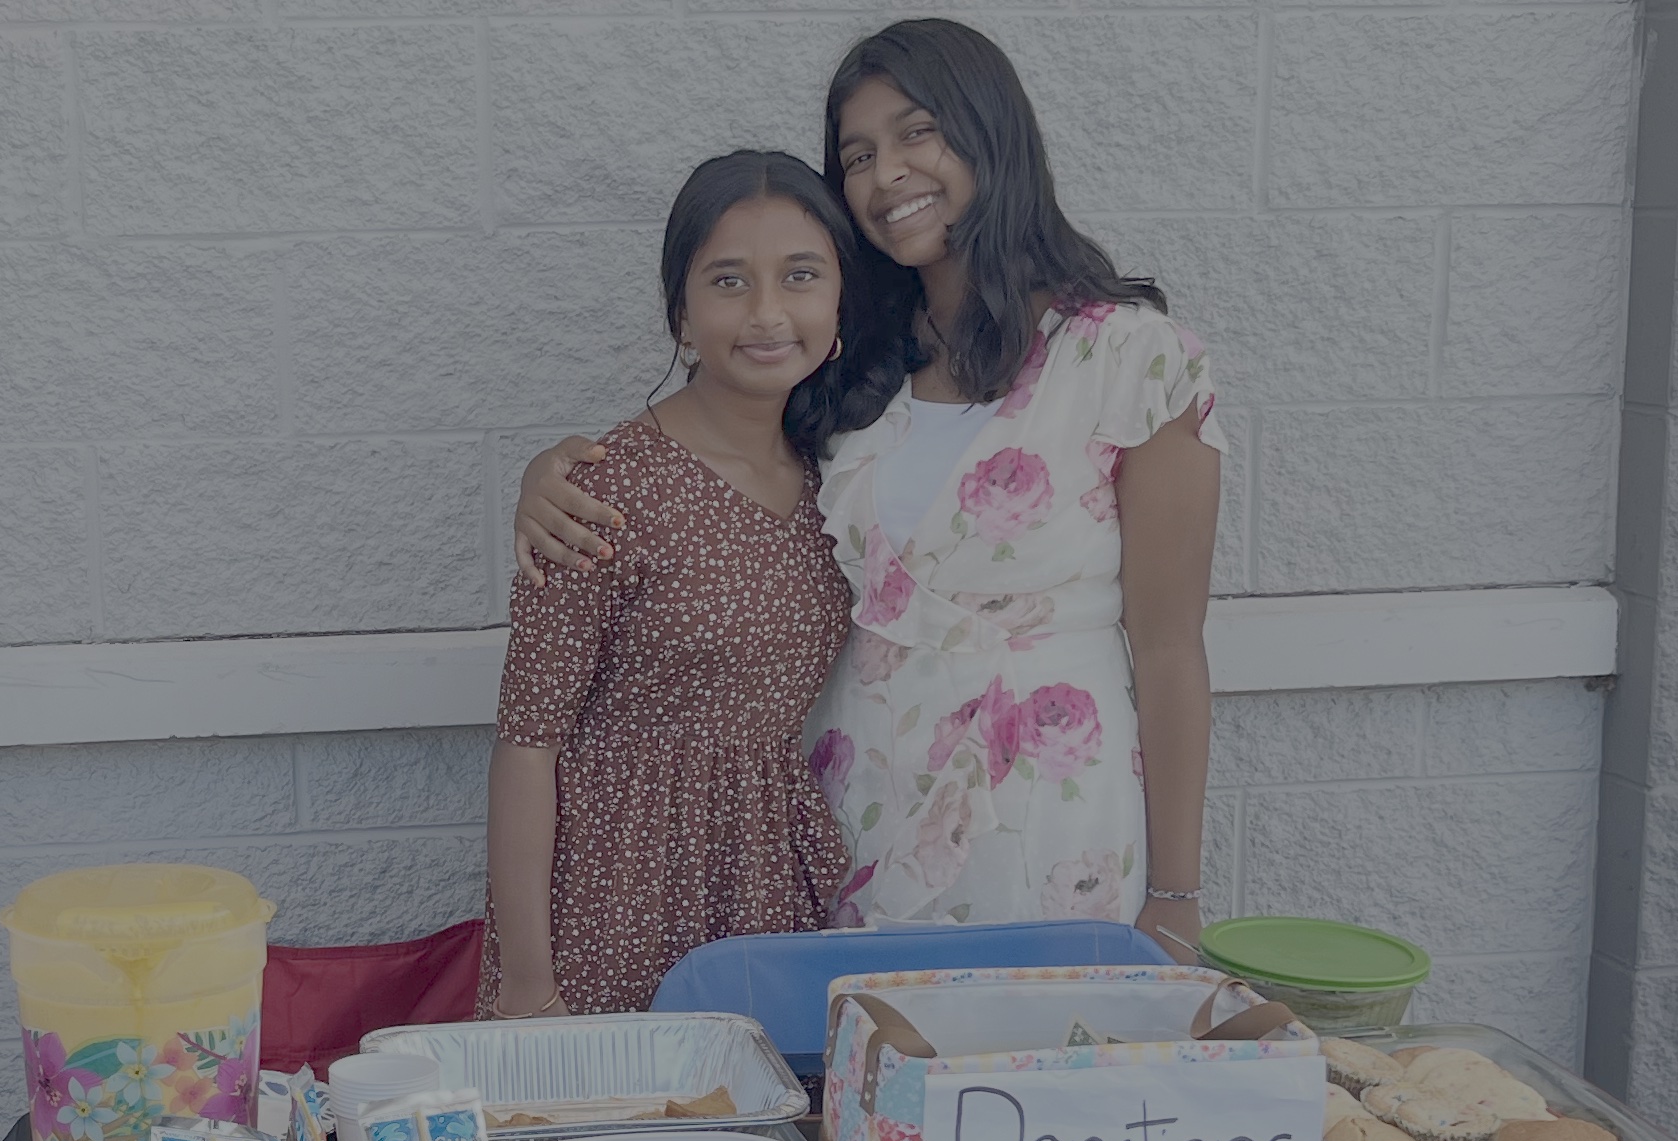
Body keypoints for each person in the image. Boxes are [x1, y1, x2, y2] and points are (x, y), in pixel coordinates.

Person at [513, 18, 1222, 960]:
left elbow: (1170, 648)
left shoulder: (1130, 357)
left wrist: (1176, 890)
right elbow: (713, 455)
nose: (885, 174)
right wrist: (550, 471)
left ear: (990, 132)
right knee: (853, 1091)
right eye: (856, 154)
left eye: (914, 132)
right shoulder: (853, 362)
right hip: (851, 807)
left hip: (1043, 812)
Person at [479, 151, 868, 1019]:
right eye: (729, 281)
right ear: (682, 315)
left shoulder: (835, 472)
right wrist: (530, 981)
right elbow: (527, 741)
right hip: (612, 889)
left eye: (799, 276)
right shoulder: (602, 488)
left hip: (764, 878)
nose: (767, 313)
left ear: (839, 302)